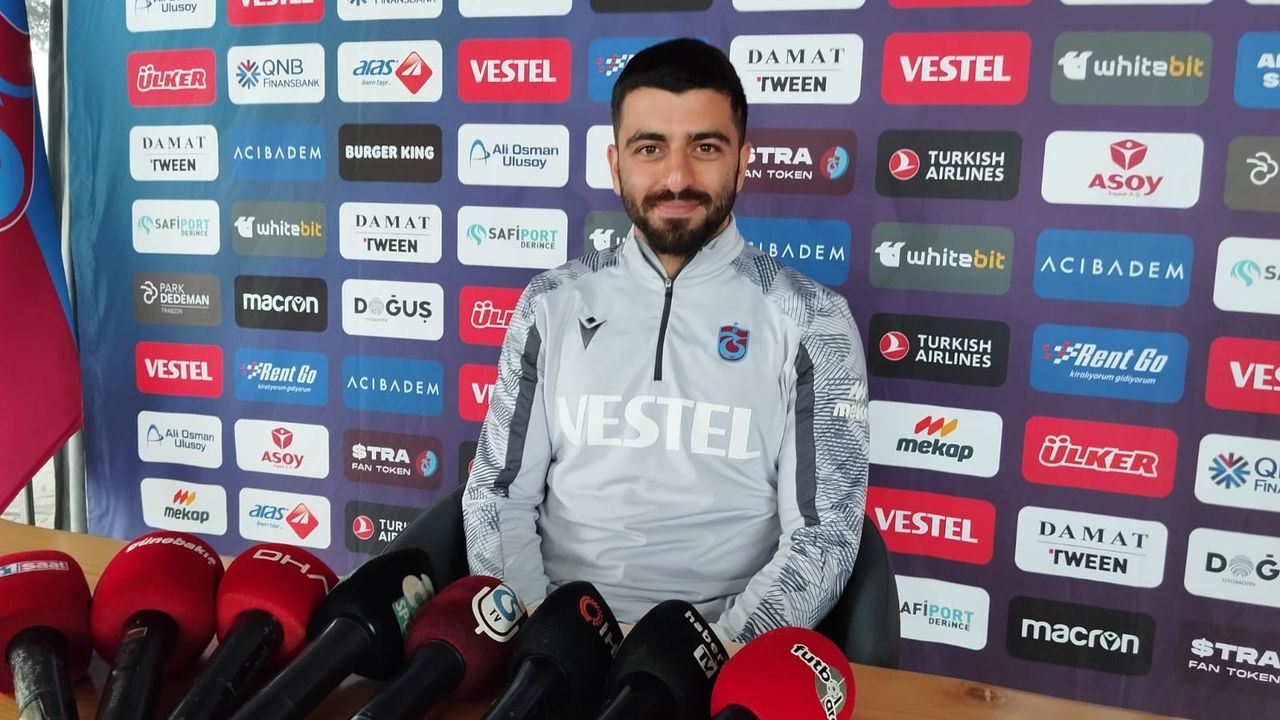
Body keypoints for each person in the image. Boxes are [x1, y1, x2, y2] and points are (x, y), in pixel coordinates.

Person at [461, 38, 868, 643]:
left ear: (742, 162)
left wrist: (717, 654)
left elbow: (824, 535)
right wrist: (536, 634)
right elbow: (497, 495)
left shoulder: (814, 320)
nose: (677, 177)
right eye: (649, 148)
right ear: (615, 164)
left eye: (705, 147)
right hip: (556, 641)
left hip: (716, 655)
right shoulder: (550, 303)